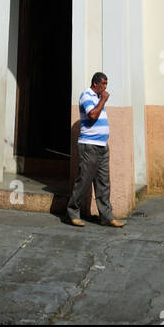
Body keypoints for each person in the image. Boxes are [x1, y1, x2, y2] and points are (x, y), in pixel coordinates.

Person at [65, 72, 125, 227]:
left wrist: (101, 100)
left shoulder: (98, 99)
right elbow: (92, 115)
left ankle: (107, 216)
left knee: (104, 183)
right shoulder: (86, 95)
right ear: (95, 83)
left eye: (106, 83)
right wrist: (103, 100)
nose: (105, 87)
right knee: (83, 181)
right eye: (103, 83)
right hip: (89, 146)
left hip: (102, 147)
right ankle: (72, 213)